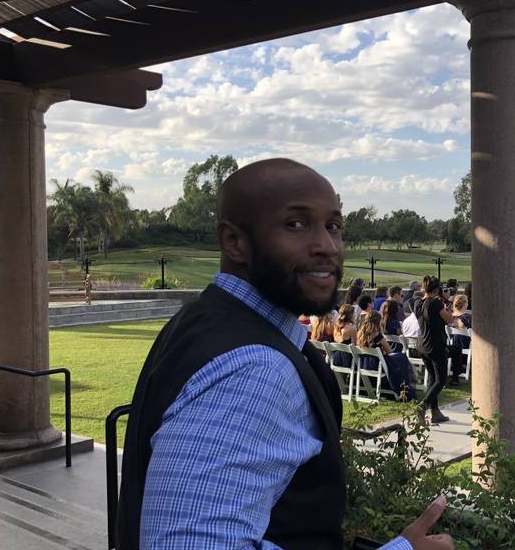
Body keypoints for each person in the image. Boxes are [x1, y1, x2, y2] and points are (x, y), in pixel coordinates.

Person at [116, 158, 450, 550]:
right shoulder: (255, 368)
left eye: (333, 226)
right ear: (234, 241)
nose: (327, 246)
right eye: (295, 224)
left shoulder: (203, 319)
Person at [416, 277, 454, 425]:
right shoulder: (436, 303)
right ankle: (423, 405)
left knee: (433, 378)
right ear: (437, 289)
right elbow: (449, 319)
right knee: (441, 379)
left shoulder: (417, 303)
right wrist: (447, 303)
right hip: (436, 345)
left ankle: (435, 412)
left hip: (423, 344)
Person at [356, 311, 416, 401]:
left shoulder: (360, 334)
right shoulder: (377, 335)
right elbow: (389, 351)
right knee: (401, 357)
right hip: (377, 365)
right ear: (378, 322)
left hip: (365, 364)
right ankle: (405, 386)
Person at [447, 294, 472, 386]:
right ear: (464, 304)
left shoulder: (449, 317)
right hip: (466, 344)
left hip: (452, 343)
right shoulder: (467, 317)